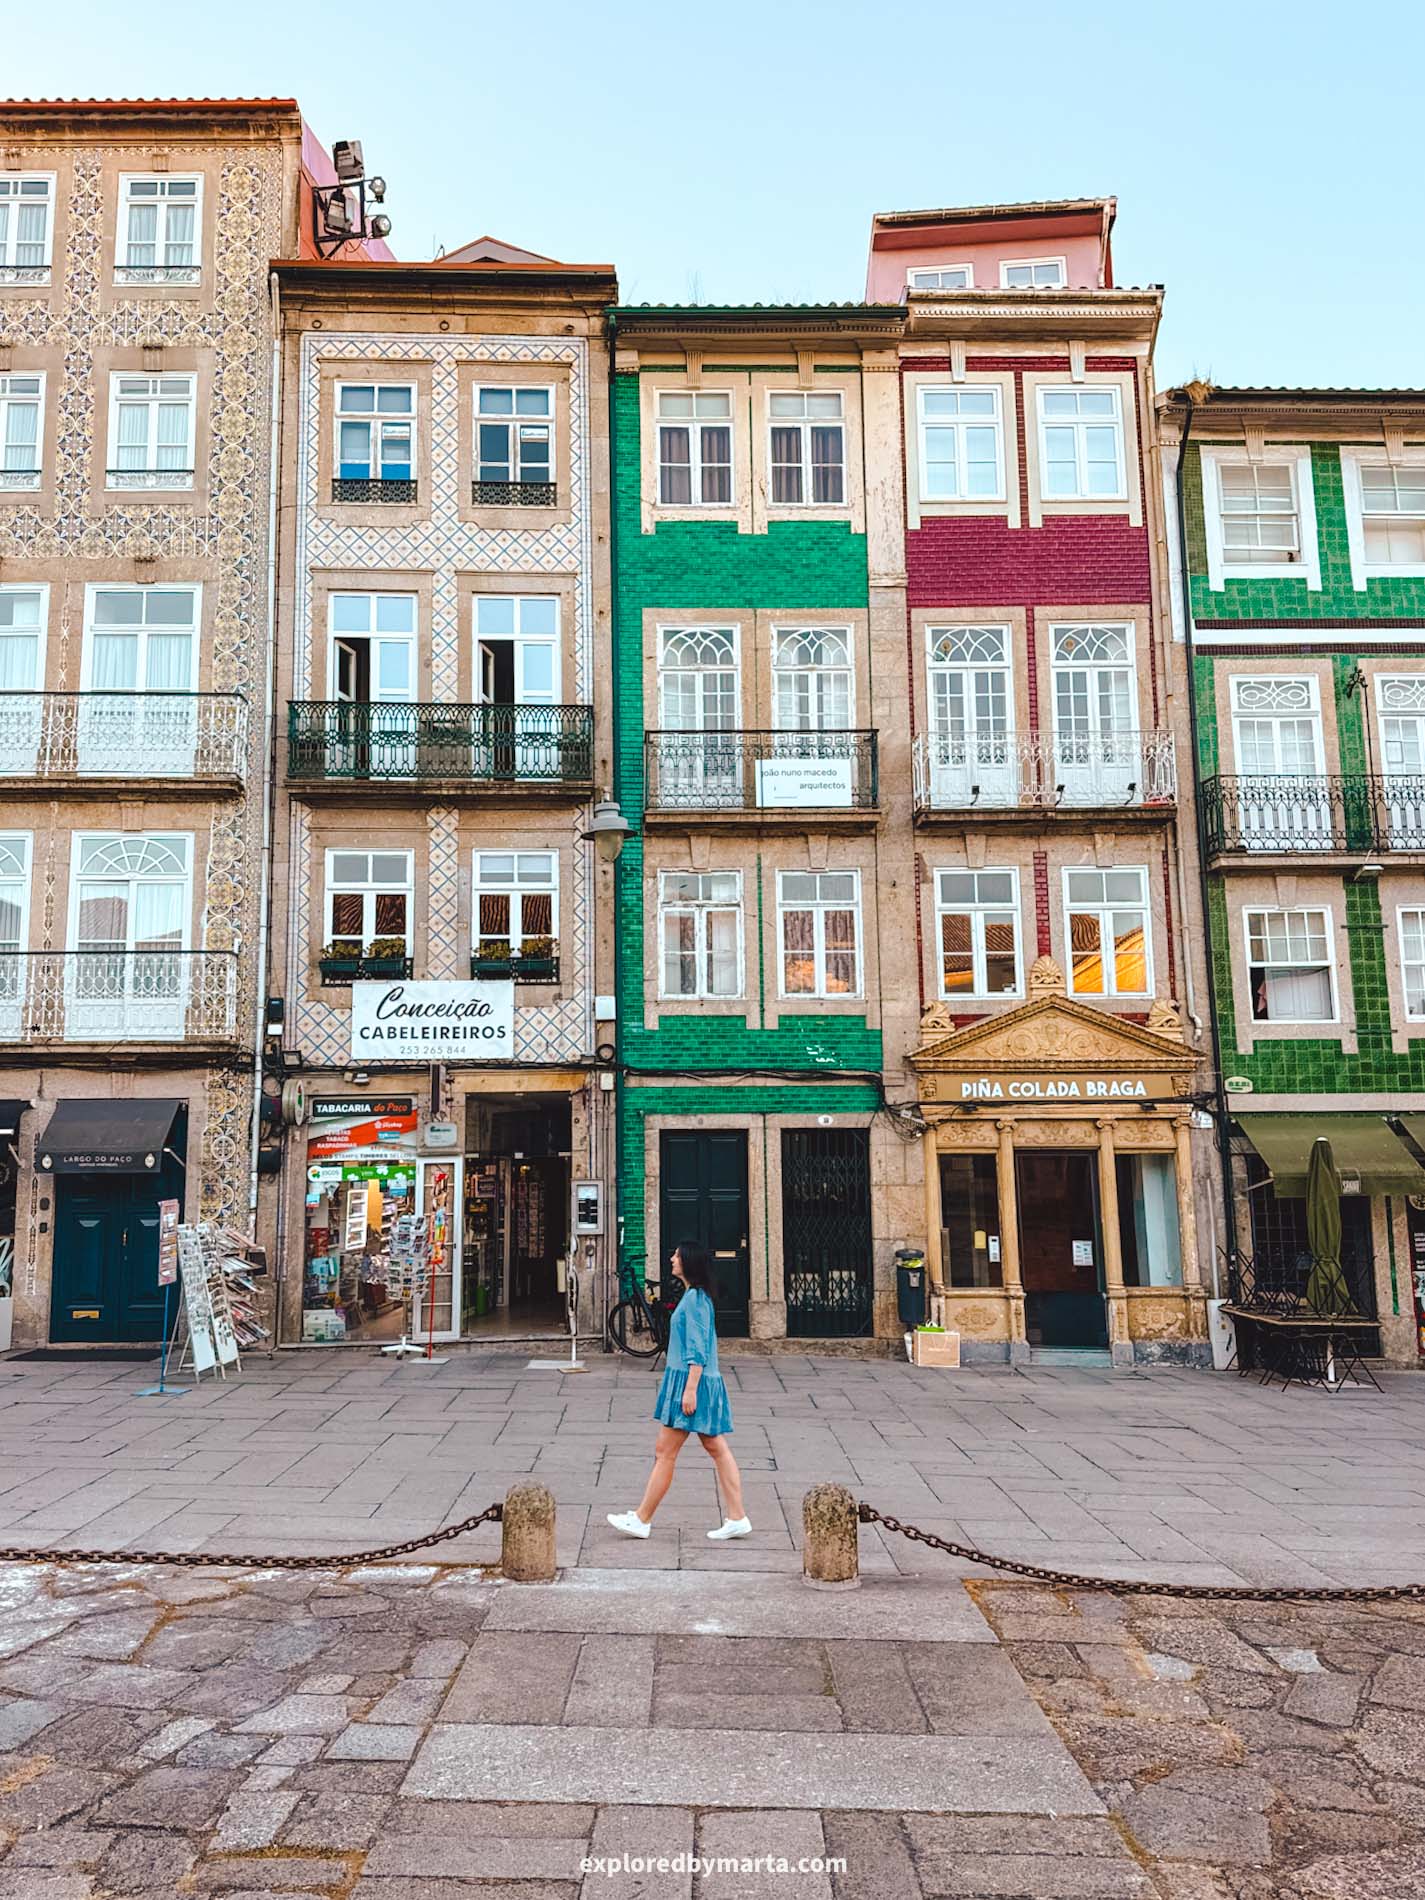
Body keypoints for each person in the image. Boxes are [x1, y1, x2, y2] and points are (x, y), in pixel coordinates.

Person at [607, 1242, 750, 1542]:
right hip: (692, 1381)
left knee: (666, 1451)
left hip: (691, 1382)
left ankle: (642, 1519)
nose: (672, 1259)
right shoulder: (694, 1296)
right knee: (716, 1449)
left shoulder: (696, 1300)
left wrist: (690, 1391)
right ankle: (737, 1517)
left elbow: (698, 1350)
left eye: (676, 1255)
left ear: (689, 1262)